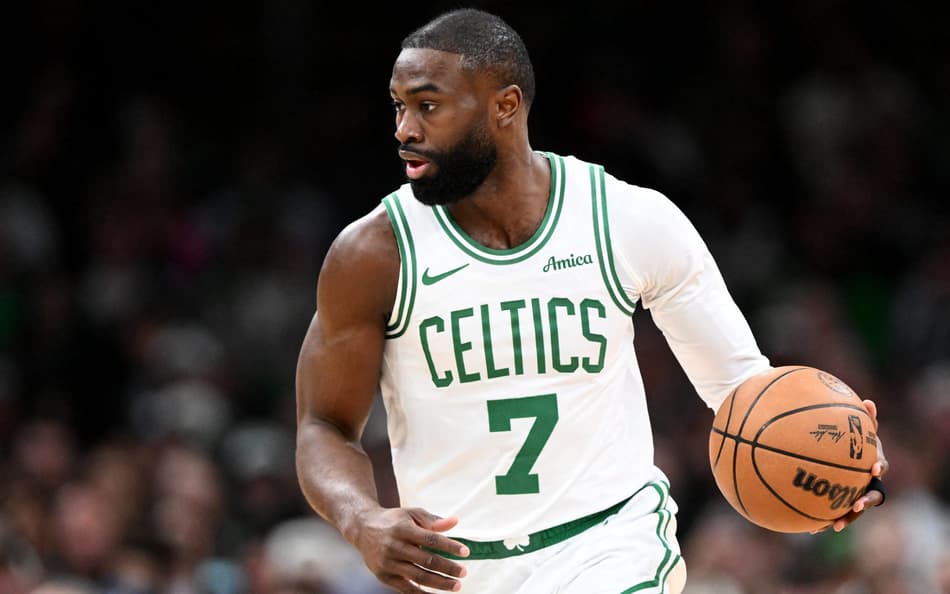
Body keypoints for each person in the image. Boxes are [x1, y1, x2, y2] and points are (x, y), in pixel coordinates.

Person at [294, 8, 889, 593]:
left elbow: (743, 390)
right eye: (399, 107)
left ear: (506, 106)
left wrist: (825, 462)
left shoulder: (627, 220)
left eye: (428, 106)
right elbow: (324, 423)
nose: (404, 130)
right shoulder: (373, 253)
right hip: (454, 573)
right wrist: (361, 518)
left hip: (609, 546)